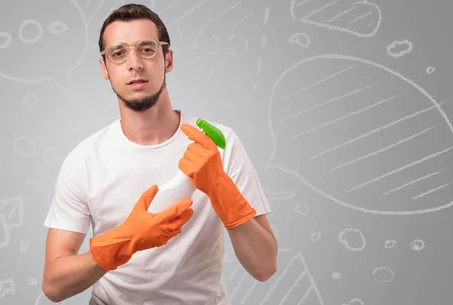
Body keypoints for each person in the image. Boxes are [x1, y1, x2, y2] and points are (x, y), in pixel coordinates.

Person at [41, 3, 278, 304]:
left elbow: (264, 266)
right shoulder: (84, 160)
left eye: (147, 49)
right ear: (104, 68)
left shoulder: (219, 143)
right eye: (118, 53)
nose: (134, 63)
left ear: (168, 59)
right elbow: (54, 285)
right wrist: (125, 241)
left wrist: (219, 186)